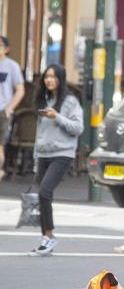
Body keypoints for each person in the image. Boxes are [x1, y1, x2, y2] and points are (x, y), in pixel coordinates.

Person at [29, 64, 83, 255]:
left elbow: (78, 127)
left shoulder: (70, 101)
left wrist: (57, 116)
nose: (49, 80)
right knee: (42, 195)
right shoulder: (44, 99)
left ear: (60, 78)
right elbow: (40, 132)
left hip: (62, 153)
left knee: (45, 191)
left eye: (53, 77)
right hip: (43, 154)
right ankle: (45, 237)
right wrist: (36, 154)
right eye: (46, 77)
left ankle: (50, 236)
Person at [0, 36, 25, 180]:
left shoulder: (12, 66)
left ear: (7, 49)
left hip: (2, 110)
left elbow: (20, 90)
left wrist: (9, 109)